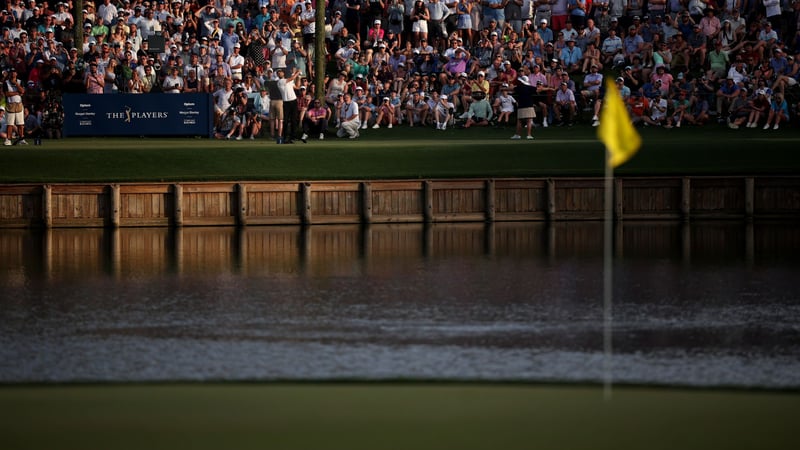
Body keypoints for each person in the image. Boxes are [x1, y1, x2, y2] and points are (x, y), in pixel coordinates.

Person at [277, 67, 300, 144]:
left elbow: (297, 87)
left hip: (293, 101)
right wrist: (297, 72)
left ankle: (292, 137)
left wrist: (299, 77)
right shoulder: (280, 82)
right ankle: (285, 137)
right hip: (286, 103)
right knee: (286, 120)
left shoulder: (289, 81)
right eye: (278, 73)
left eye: (280, 72)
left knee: (294, 120)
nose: (279, 73)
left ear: (283, 73)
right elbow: (292, 77)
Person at [3, 68, 26, 145]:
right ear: (9, 74)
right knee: (10, 124)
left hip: (19, 104)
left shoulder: (20, 82)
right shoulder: (6, 83)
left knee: (20, 124)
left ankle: (21, 139)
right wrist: (17, 92)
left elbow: (22, 91)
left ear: (16, 74)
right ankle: (8, 139)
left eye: (14, 72)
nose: (13, 74)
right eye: (12, 72)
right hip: (10, 105)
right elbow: (7, 94)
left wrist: (16, 84)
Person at [511, 75, 537, 139]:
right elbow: (539, 89)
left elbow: (511, 88)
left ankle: (518, 135)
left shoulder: (518, 87)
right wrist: (549, 88)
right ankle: (528, 135)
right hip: (529, 105)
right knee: (529, 121)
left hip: (521, 105)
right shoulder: (530, 87)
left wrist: (503, 88)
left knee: (519, 121)